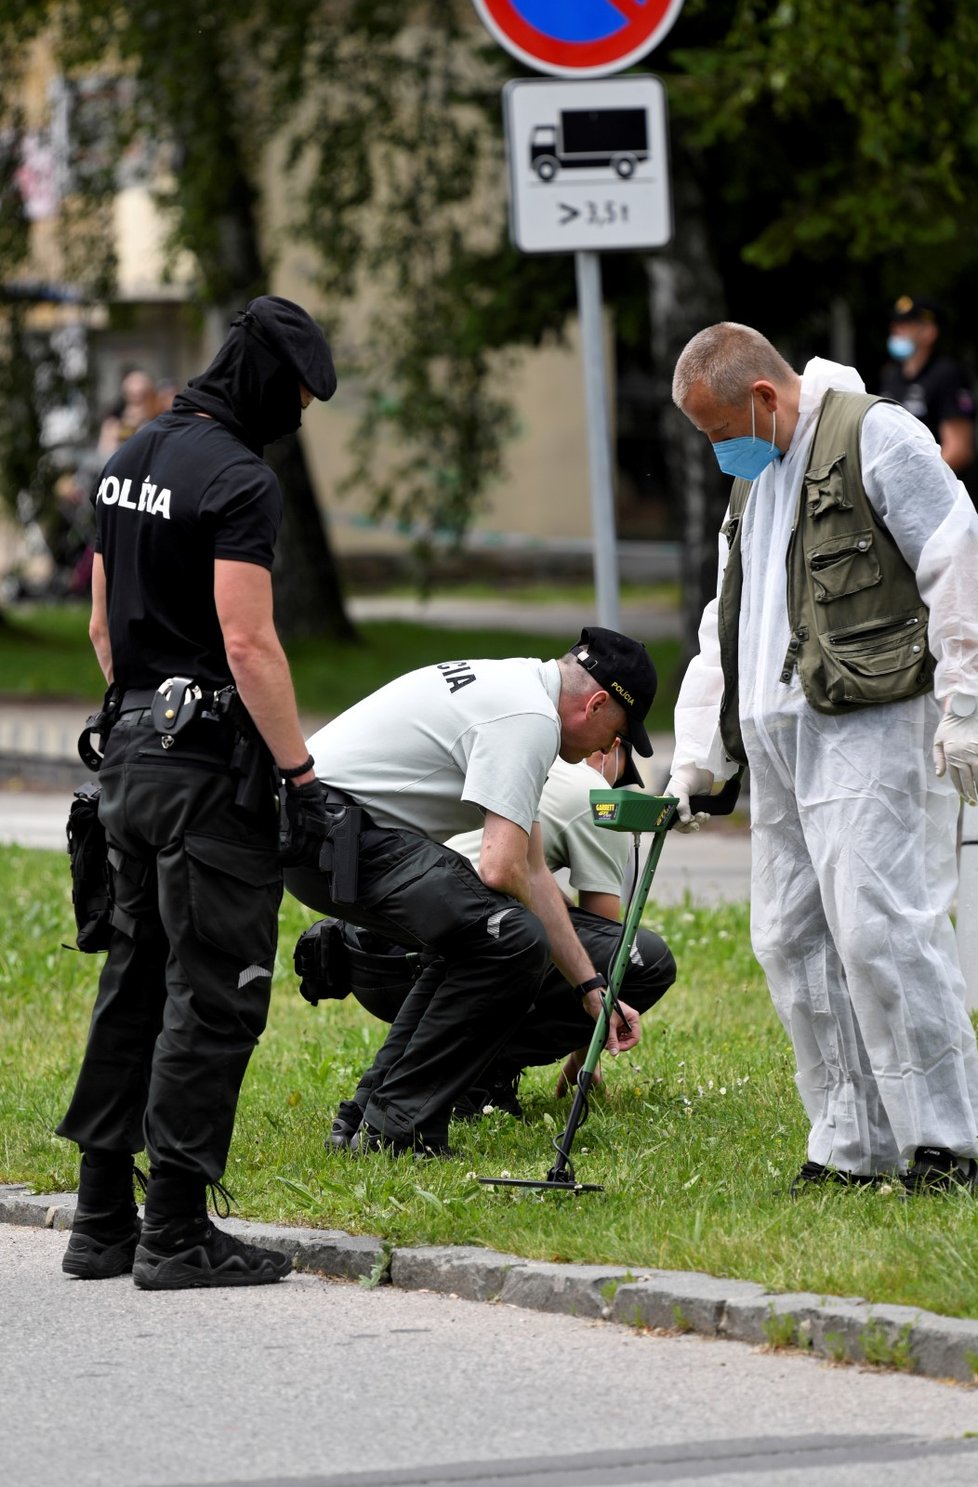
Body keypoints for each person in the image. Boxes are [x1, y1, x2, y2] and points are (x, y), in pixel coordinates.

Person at [57, 295, 338, 1288]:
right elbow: (248, 639)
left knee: (130, 980)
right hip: (207, 774)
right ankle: (174, 1230)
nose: (295, 420)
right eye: (297, 398)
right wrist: (299, 773)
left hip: (127, 755)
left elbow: (101, 627)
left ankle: (99, 1220)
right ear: (266, 382)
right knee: (214, 989)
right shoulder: (238, 478)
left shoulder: (127, 458)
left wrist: (139, 714)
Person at [666, 321, 978, 1194]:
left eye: (721, 431)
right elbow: (721, 621)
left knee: (883, 926)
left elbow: (958, 559)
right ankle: (851, 1142)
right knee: (789, 937)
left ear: (764, 398)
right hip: (781, 742)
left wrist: (967, 706)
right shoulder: (754, 479)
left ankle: (950, 1142)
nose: (718, 451)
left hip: (868, 725)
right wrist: (699, 750)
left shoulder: (874, 433)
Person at [283, 627, 657, 1156]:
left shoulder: (519, 688)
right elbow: (502, 870)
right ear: (596, 704)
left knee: (475, 932)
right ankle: (398, 1130)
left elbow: (531, 869)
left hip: (316, 830)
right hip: (332, 832)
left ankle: (368, 1118)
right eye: (616, 733)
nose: (607, 748)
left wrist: (590, 987)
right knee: (505, 936)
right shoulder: (529, 720)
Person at [305, 742, 676, 1145]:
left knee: (508, 929)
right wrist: (589, 1036)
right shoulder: (596, 794)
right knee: (643, 957)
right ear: (609, 749)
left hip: (372, 958)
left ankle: (369, 1113)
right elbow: (605, 952)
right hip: (450, 957)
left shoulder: (511, 763)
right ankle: (468, 1081)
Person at [879, 295, 976, 479]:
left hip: (939, 495)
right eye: (895, 324)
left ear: (928, 332)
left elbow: (959, 450)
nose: (896, 330)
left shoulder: (947, 374)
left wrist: (913, 481)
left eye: (906, 324)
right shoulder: (891, 377)